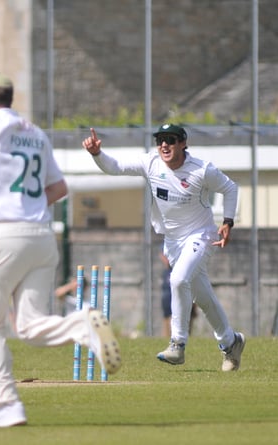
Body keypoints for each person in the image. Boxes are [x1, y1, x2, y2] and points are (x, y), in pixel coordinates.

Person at [0, 0, 121, 428]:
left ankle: (6, 404)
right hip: (42, 237)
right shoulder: (34, 133)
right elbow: (59, 187)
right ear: (12, 97)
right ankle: (82, 326)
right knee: (33, 325)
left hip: (5, 235)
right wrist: (31, 207)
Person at [82, 124, 245, 371]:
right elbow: (114, 167)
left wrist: (228, 222)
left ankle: (177, 344)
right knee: (203, 297)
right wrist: (96, 154)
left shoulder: (201, 169)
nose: (164, 145)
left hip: (200, 236)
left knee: (178, 280)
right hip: (173, 241)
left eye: (170, 140)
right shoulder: (151, 163)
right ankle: (231, 342)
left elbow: (230, 188)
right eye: (160, 140)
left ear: (183, 143)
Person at [159, 252, 198, 337]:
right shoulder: (165, 273)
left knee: (185, 327)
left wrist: (194, 303)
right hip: (168, 306)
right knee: (168, 329)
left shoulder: (183, 271)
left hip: (183, 304)